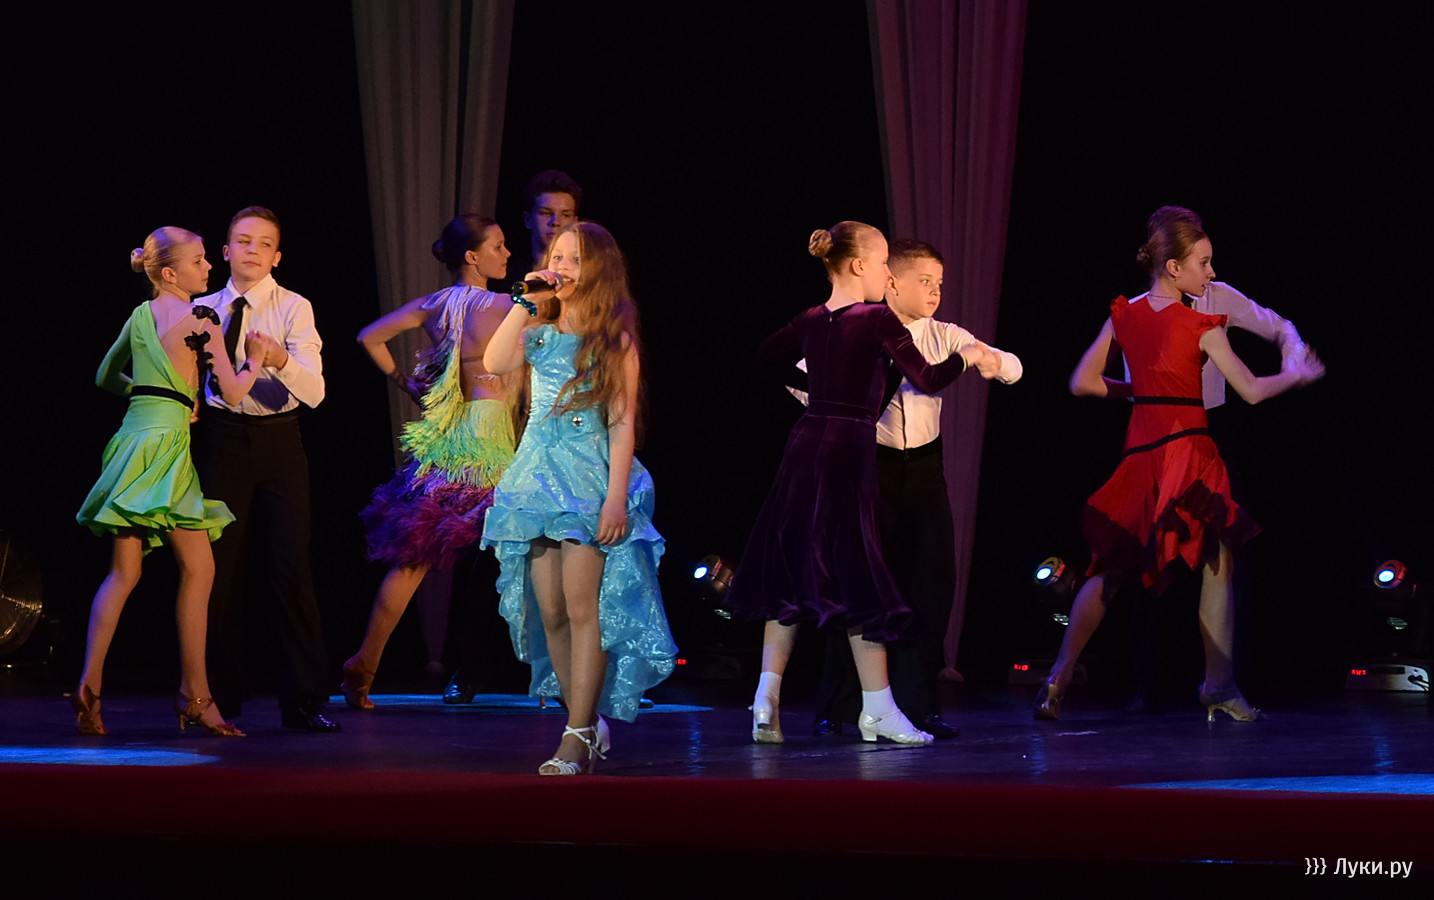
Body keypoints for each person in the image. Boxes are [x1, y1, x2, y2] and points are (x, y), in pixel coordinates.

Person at [1035, 206, 1324, 722]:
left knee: (1111, 567)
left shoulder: (1123, 313)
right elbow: (1252, 391)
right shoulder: (1200, 324)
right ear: (1174, 267)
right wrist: (1297, 376)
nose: (1211, 273)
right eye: (1204, 263)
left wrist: (1139, 392)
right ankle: (1219, 685)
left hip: (1140, 451)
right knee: (1217, 559)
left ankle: (1059, 675)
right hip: (1189, 450)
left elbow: (1082, 382)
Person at [725, 222, 1002, 747]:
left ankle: (767, 694)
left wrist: (821, 391)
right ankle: (878, 708)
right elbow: (927, 377)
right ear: (859, 266)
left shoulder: (811, 318)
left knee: (796, 565)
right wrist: (968, 357)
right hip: (848, 447)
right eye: (881, 266)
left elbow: (765, 359)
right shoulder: (876, 317)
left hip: (806, 442)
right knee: (860, 573)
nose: (886, 277)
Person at [480, 221, 675, 775]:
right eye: (556, 256)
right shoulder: (539, 327)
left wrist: (615, 498)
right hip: (534, 477)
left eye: (574, 259)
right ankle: (582, 718)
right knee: (550, 610)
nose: (561, 266)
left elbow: (622, 422)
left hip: (588, 479)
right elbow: (494, 363)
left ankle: (578, 733)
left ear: (599, 270)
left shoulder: (614, 339)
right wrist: (524, 302)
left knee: (583, 605)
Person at [811, 239, 1022, 739]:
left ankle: (920, 705)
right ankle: (841, 705)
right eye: (924, 281)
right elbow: (800, 380)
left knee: (931, 583)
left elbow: (1013, 368)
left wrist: (989, 360)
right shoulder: (859, 328)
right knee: (859, 585)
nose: (934, 292)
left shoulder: (944, 334)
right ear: (890, 282)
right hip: (870, 466)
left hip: (925, 470)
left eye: (939, 284)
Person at [73, 227, 266, 737]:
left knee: (124, 574)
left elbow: (105, 376)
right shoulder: (202, 318)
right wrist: (256, 360)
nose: (209, 268)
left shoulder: (140, 316)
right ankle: (195, 695)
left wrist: (159, 395)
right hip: (166, 450)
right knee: (200, 569)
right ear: (169, 273)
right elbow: (233, 391)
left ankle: (89, 686)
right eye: (199, 261)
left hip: (131, 442)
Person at [339, 216, 518, 709]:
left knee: (414, 558)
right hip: (487, 433)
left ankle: (365, 662)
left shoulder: (433, 304)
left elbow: (368, 336)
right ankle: (563, 677)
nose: (507, 254)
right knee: (532, 549)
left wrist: (407, 383)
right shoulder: (505, 306)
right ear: (472, 257)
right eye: (498, 246)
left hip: (449, 432)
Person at [194, 206, 340, 732]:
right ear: (225, 251)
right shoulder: (204, 308)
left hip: (280, 441)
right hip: (221, 439)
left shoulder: (294, 307)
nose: (252, 250)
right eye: (243, 241)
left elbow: (316, 392)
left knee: (289, 564)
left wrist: (278, 360)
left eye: (264, 244)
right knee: (215, 567)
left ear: (277, 257)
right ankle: (215, 694)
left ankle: (302, 698)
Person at [509, 169, 582, 284]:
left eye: (565, 215)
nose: (555, 222)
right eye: (546, 213)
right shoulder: (508, 277)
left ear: (575, 222)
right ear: (528, 219)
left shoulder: (585, 278)